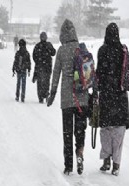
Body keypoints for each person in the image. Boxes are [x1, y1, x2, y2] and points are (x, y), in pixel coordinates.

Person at [47, 19, 88, 175]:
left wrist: (52, 93)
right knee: (80, 130)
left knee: (67, 132)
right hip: (82, 97)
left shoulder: (61, 50)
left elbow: (56, 73)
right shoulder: (81, 49)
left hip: (66, 98)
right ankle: (80, 154)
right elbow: (90, 72)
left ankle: (68, 164)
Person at [96, 23, 129, 176]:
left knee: (106, 129)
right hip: (120, 96)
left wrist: (98, 89)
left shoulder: (102, 50)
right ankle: (116, 163)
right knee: (119, 130)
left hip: (106, 95)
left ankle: (106, 160)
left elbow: (99, 73)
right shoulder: (123, 50)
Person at [32, 32, 56, 103]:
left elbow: (34, 56)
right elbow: (53, 53)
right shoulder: (48, 45)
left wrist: (38, 61)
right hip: (47, 67)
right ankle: (46, 94)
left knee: (40, 82)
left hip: (40, 67)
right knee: (46, 81)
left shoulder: (37, 46)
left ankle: (40, 96)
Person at [12, 39, 31, 103]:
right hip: (24, 70)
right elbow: (29, 62)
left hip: (19, 70)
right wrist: (29, 70)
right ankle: (22, 97)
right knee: (23, 84)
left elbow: (15, 61)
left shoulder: (18, 53)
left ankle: (17, 96)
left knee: (18, 83)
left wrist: (13, 69)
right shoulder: (27, 53)